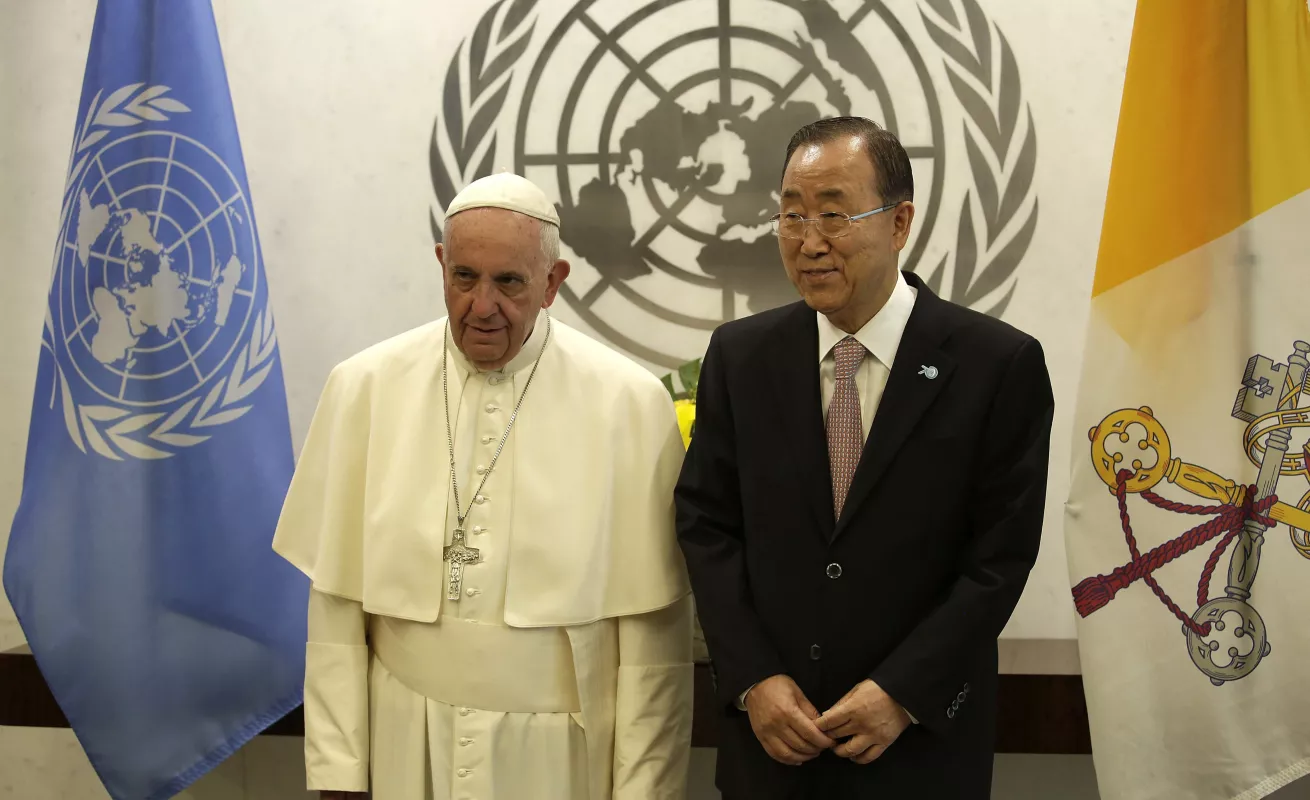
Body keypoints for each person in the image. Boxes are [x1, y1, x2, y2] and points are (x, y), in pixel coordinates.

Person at [272, 172, 694, 800]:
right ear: (442, 265)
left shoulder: (627, 404)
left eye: (510, 282)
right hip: (402, 741)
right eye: (464, 277)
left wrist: (646, 792)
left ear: (553, 284)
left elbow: (652, 641)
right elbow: (335, 607)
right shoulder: (364, 387)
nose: (482, 305)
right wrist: (339, 771)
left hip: (557, 757)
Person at [674, 117, 1054, 798]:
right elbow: (707, 526)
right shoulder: (740, 357)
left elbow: (998, 561)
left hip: (918, 754)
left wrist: (902, 692)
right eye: (791, 215)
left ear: (900, 222)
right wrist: (753, 678)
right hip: (772, 753)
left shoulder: (996, 366)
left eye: (833, 215)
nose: (808, 242)